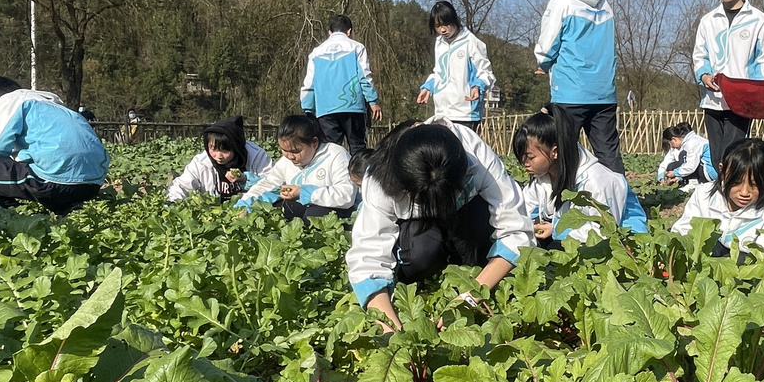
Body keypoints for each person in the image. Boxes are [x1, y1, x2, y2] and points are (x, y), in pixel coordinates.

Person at [345, 119, 535, 331]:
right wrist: (391, 330)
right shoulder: (379, 179)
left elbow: (516, 229)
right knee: (420, 253)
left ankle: (474, 267)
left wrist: (472, 295)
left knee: (480, 225)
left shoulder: (476, 158)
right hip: (420, 231)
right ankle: (423, 275)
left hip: (466, 219)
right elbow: (367, 259)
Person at [0, 76, 108, 215]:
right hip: (91, 186)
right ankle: (65, 208)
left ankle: (6, 214)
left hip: (53, 183)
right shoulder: (58, 107)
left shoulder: (13, 100)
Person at [534, 0, 625, 174]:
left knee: (564, 152)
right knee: (608, 153)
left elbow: (547, 45)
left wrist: (543, 63)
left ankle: (563, 203)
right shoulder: (605, 5)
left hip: (570, 92)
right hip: (604, 92)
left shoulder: (561, 3)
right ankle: (622, 205)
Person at [513, 103, 648, 246]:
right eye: (522, 157)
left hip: (626, 246)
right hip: (574, 236)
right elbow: (525, 209)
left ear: (555, 152)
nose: (525, 163)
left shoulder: (597, 181)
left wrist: (556, 229)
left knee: (554, 249)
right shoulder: (542, 178)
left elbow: (604, 231)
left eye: (530, 157)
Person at [693, 0, 764, 167]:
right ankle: (723, 196)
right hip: (713, 100)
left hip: (741, 103)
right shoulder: (708, 20)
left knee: (731, 158)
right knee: (716, 160)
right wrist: (703, 75)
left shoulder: (757, 19)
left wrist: (757, 90)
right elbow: (699, 55)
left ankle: (734, 197)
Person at [671, 137, 764, 257]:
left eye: (754, 184)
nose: (744, 192)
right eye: (736, 182)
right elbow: (683, 232)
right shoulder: (703, 195)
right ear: (722, 170)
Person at [237, 114, 357, 222]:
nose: (289, 156)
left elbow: (346, 195)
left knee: (315, 214)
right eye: (284, 150)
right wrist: (243, 205)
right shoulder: (286, 161)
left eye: (295, 151)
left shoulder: (335, 155)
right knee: (280, 207)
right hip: (303, 211)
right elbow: (267, 184)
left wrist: (303, 192)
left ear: (314, 143)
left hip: (337, 211)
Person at [300, 14, 382, 156]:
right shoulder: (357, 47)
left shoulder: (316, 52)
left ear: (329, 32)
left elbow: (309, 83)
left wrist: (308, 109)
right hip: (353, 107)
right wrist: (372, 101)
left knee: (330, 152)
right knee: (358, 149)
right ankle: (359, 177)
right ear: (349, 31)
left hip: (325, 109)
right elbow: (364, 76)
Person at [416, 0, 495, 132]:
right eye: (438, 26)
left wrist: (477, 86)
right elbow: (439, 72)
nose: (442, 29)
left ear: (455, 20)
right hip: (442, 113)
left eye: (446, 24)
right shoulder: (439, 43)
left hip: (465, 114)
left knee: (465, 152)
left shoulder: (471, 42)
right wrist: (428, 88)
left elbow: (486, 72)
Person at [167, 116, 273, 203]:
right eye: (213, 149)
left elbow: (273, 185)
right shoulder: (201, 162)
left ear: (236, 148)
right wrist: (172, 204)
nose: (219, 156)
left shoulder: (256, 156)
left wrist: (246, 179)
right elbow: (181, 185)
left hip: (250, 212)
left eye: (225, 151)